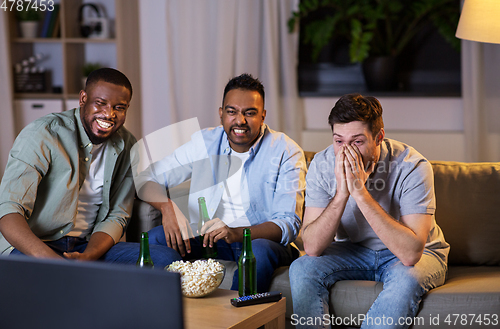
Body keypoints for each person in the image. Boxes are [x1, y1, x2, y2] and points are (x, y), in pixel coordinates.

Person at [289, 94, 450, 329]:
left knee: (407, 278)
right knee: (302, 268)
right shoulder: (322, 164)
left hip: (418, 254)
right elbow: (312, 247)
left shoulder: (412, 166)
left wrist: (359, 192)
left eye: (357, 142)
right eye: (339, 141)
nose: (346, 152)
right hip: (354, 251)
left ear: (379, 137)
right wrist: (342, 193)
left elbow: (410, 254)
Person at [135, 73, 306, 292]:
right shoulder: (204, 142)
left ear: (263, 116)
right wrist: (167, 207)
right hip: (209, 240)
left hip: (261, 242)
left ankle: (238, 321)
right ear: (221, 114)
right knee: (155, 239)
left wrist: (236, 233)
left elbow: (288, 223)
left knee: (258, 251)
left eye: (250, 113)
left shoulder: (286, 151)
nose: (240, 121)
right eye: (232, 111)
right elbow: (146, 178)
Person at [0, 68, 180, 267]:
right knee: (42, 277)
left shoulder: (127, 144)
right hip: (36, 246)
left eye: (119, 107)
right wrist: (53, 263)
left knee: (167, 260)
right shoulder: (44, 134)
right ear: (83, 98)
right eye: (100, 103)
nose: (109, 114)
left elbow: (117, 215)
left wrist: (89, 257)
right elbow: (8, 211)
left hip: (87, 247)